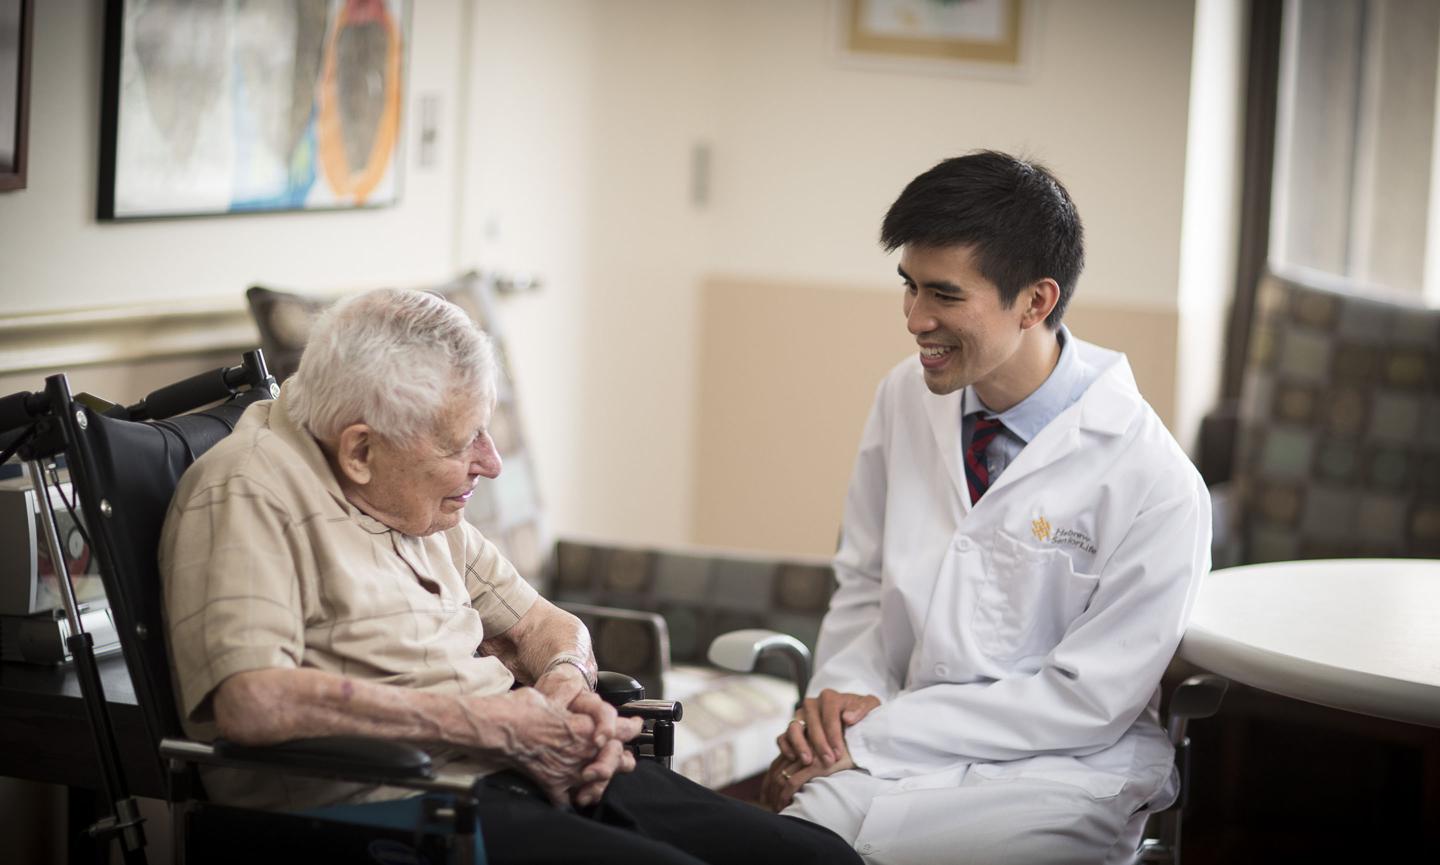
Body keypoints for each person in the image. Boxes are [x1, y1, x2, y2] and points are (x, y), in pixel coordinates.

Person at [159, 288, 860, 865]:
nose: (491, 464)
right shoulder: (248, 492)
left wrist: (563, 689)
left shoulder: (422, 502)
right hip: (385, 806)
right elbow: (252, 701)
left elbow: (547, 625)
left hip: (516, 769)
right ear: (361, 449)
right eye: (466, 443)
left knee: (817, 857)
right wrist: (494, 722)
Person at [758, 151, 1211, 865]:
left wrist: (875, 733)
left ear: (1034, 301)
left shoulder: (1153, 480)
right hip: (885, 748)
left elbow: (1084, 702)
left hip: (1058, 775)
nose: (914, 319)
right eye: (907, 287)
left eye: (943, 295)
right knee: (783, 847)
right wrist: (839, 704)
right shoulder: (904, 397)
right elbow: (867, 586)